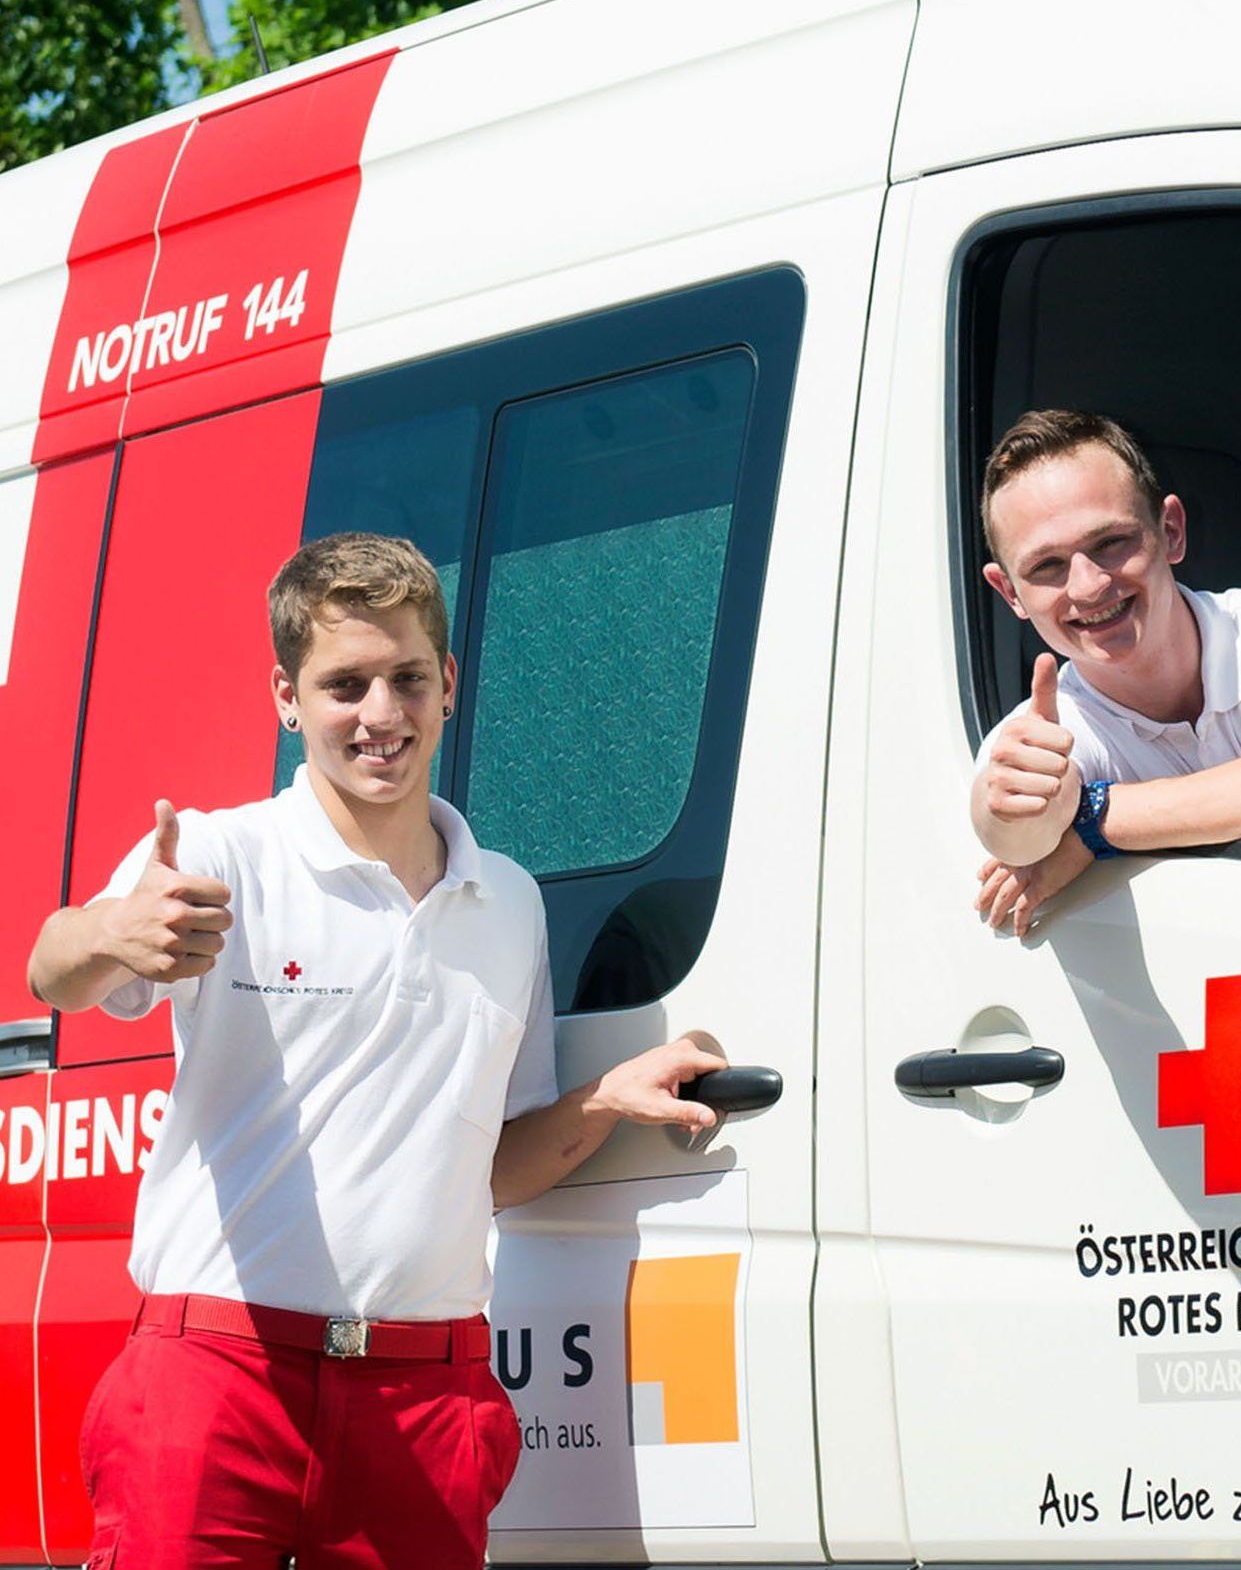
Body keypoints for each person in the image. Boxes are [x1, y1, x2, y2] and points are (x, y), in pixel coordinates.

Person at [26, 532, 727, 1570]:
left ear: (448, 683)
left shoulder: (509, 901)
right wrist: (106, 933)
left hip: (422, 1394)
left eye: (406, 678)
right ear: (287, 697)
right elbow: (49, 969)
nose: (380, 713)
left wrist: (605, 1100)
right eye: (344, 684)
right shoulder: (222, 854)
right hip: (219, 1373)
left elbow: (489, 1166)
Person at [971, 409, 1241, 934]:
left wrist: (1093, 821)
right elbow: (1015, 838)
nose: (1089, 586)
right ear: (1010, 594)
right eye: (1047, 566)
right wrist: (1011, 810)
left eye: (1110, 543)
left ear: (1171, 531)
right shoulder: (1042, 731)